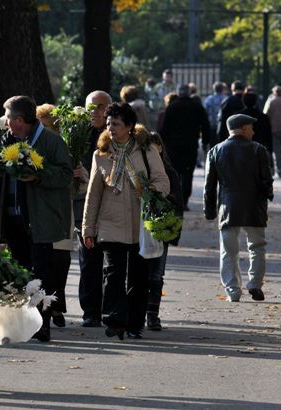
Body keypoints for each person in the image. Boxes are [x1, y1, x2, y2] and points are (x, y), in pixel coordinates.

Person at [0, 95, 73, 342]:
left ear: (20, 120)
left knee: (42, 273)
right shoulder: (6, 141)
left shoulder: (51, 141)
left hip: (40, 219)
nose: (5, 123)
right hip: (13, 220)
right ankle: (24, 325)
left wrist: (39, 174)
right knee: (21, 272)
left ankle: (42, 325)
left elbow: (66, 175)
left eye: (8, 118)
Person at [82, 102, 170, 339]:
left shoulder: (146, 150)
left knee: (139, 277)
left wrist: (150, 191)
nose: (110, 128)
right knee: (112, 273)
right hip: (110, 223)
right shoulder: (101, 154)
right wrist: (88, 228)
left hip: (141, 224)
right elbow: (93, 193)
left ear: (129, 126)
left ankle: (134, 324)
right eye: (108, 124)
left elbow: (163, 181)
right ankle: (114, 320)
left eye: (116, 124)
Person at [204, 114, 274, 302]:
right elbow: (266, 179)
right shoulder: (258, 149)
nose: (253, 131)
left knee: (228, 251)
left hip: (228, 207)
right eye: (251, 127)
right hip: (254, 206)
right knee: (257, 246)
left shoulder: (216, 151)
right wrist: (268, 194)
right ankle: (255, 283)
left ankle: (233, 290)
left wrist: (209, 210)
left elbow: (209, 186)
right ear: (243, 129)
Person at [131, 127, 184, 335]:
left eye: (153, 146)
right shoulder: (136, 171)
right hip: (136, 230)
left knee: (156, 275)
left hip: (159, 230)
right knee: (138, 274)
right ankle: (136, 313)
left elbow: (177, 204)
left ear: (160, 148)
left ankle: (152, 314)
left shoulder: (169, 174)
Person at [77, 90, 112, 328]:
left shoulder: (117, 135)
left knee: (111, 261)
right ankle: (90, 311)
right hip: (85, 207)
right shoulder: (78, 134)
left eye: (100, 107)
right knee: (88, 260)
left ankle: (109, 309)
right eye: (91, 107)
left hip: (112, 208)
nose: (95, 112)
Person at [36, 103, 72, 328]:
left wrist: (79, 175)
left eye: (47, 125)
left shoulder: (63, 145)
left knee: (61, 262)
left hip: (61, 210)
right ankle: (48, 310)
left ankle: (56, 305)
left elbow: (75, 181)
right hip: (40, 212)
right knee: (46, 263)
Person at [159, 84, 210, 211]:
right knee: (188, 173)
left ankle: (174, 199)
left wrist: (160, 142)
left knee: (174, 172)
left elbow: (164, 127)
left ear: (178, 93)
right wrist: (205, 141)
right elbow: (205, 124)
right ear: (189, 92)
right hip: (190, 145)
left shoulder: (172, 106)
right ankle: (184, 200)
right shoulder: (196, 106)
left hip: (173, 146)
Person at [240, 91, 273, 163]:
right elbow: (268, 133)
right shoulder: (263, 116)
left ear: (243, 102)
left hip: (241, 149)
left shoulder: (238, 116)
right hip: (258, 148)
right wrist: (269, 148)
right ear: (255, 102)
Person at [203, 81, 228, 148]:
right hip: (223, 126)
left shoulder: (209, 99)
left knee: (212, 146)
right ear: (222, 89)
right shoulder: (226, 99)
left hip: (212, 125)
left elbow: (205, 112)